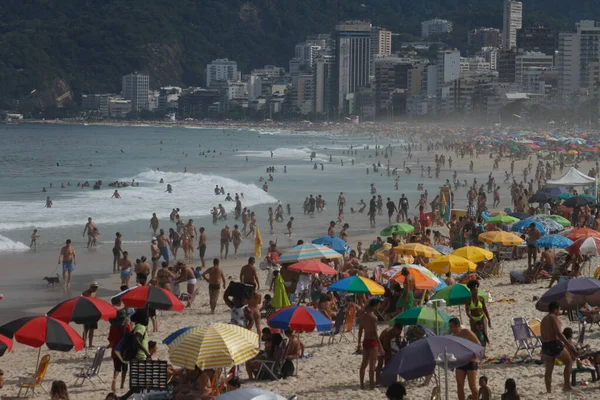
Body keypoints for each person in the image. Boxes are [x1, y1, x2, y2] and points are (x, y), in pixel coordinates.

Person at [540, 301, 577, 393]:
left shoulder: (544, 319)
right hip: (554, 344)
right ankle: (566, 386)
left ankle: (548, 391)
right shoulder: (554, 317)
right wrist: (569, 346)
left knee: (548, 370)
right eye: (559, 309)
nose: (560, 311)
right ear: (555, 310)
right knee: (568, 362)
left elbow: (543, 335)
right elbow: (559, 334)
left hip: (546, 345)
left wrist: (543, 348)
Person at [449, 317, 481, 400]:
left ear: (457, 325)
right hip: (460, 362)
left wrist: (473, 355)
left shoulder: (466, 332)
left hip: (471, 362)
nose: (450, 329)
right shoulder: (453, 337)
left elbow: (478, 344)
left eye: (451, 326)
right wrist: (452, 363)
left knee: (472, 386)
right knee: (459, 386)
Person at [357, 298, 381, 390]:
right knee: (372, 365)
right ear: (375, 306)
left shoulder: (363, 316)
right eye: (378, 305)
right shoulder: (374, 318)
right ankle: (371, 385)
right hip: (372, 341)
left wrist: (359, 342)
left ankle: (362, 384)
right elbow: (375, 332)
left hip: (365, 341)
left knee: (364, 363)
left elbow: (360, 330)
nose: (378, 306)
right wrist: (381, 346)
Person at [107, 309, 131, 392]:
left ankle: (114, 379)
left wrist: (112, 344)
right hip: (124, 351)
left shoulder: (112, 326)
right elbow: (129, 337)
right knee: (124, 369)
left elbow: (110, 338)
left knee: (116, 368)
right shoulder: (127, 326)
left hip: (115, 350)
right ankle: (122, 385)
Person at [465, 279, 491, 346]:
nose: (476, 291)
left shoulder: (481, 298)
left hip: (482, 317)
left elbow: (485, 309)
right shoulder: (468, 300)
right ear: (471, 291)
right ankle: (476, 350)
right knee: (474, 335)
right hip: (473, 318)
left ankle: (483, 351)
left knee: (484, 333)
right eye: (474, 290)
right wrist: (472, 319)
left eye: (476, 290)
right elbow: (467, 312)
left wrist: (489, 319)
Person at [82, 282, 99, 347]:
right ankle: (84, 344)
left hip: (93, 313)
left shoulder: (94, 293)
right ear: (90, 287)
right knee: (86, 329)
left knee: (92, 329)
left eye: (96, 287)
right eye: (94, 287)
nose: (95, 289)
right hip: (87, 314)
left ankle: (90, 344)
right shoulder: (85, 293)